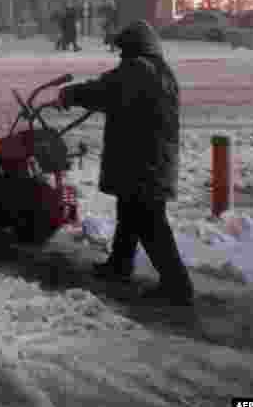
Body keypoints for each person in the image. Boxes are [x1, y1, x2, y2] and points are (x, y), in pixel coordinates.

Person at [57, 20, 194, 306]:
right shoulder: (159, 71)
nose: (120, 56)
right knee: (130, 212)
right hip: (150, 158)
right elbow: (114, 89)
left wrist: (70, 94)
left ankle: (177, 284)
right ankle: (119, 265)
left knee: (149, 222)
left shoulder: (138, 70)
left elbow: (105, 90)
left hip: (143, 160)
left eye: (123, 51)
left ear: (134, 49)